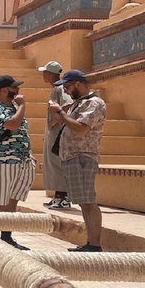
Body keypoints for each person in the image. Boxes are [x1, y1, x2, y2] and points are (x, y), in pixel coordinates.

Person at [48, 70, 107, 252]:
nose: (66, 91)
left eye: (68, 87)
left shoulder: (93, 103)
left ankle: (95, 244)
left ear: (78, 84)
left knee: (88, 201)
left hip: (83, 157)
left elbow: (81, 129)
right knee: (83, 202)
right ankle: (91, 243)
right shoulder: (78, 104)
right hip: (73, 157)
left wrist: (60, 113)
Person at [0, 75, 36, 251]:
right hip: (4, 161)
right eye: (14, 88)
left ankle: (6, 237)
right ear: (4, 90)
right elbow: (12, 125)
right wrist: (22, 105)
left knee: (12, 201)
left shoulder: (13, 107)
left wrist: (30, 153)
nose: (18, 91)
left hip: (22, 161)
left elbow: (21, 131)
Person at [39, 61, 72, 209]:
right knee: (52, 163)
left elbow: (68, 104)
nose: (43, 75)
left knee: (58, 163)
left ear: (51, 73)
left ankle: (64, 197)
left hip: (58, 133)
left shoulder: (60, 88)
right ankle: (58, 196)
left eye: (45, 72)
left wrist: (56, 120)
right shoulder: (55, 89)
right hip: (53, 133)